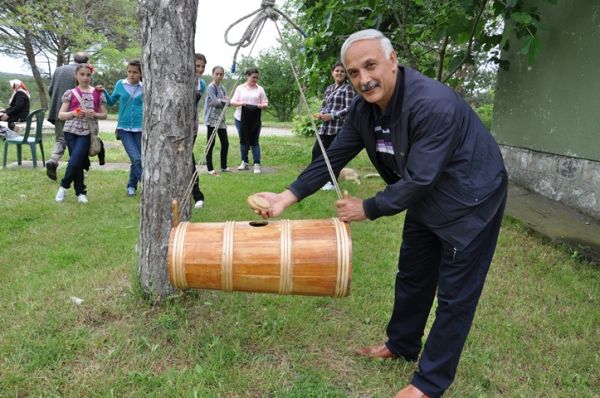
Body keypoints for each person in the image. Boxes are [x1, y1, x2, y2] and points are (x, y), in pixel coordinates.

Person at [252, 29, 507, 398]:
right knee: (413, 275)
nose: (363, 79)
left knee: (455, 296)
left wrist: (367, 208)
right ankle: (401, 344)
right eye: (353, 72)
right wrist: (284, 198)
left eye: (369, 65)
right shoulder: (364, 110)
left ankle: (428, 384)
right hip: (424, 198)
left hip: (469, 201)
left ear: (392, 60)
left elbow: (420, 178)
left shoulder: (432, 104)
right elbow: (331, 158)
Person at [54, 63, 107, 204]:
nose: (85, 78)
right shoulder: (70, 93)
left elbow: (104, 114)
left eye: (88, 75)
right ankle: (80, 193)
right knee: (76, 161)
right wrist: (73, 113)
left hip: (87, 132)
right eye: (82, 74)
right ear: (76, 75)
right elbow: (60, 115)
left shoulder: (97, 93)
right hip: (70, 131)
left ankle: (63, 187)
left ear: (91, 76)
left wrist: (94, 114)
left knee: (75, 160)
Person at [101, 60, 144, 197]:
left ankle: (131, 185)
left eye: (135, 72)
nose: (131, 75)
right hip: (124, 129)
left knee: (139, 159)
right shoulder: (121, 84)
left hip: (140, 128)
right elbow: (111, 101)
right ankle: (147, 184)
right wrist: (103, 92)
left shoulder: (145, 87)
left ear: (141, 73)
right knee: (136, 159)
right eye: (129, 71)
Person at [46, 52, 89, 181]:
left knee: (60, 139)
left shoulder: (59, 70)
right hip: (77, 113)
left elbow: (50, 90)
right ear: (85, 62)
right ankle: (76, 169)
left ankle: (53, 160)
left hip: (58, 111)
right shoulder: (83, 72)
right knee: (78, 140)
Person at [312, 62, 355, 190]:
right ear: (332, 73)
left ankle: (331, 182)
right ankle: (316, 179)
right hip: (325, 128)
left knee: (333, 157)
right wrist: (321, 114)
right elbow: (325, 106)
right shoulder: (329, 88)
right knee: (316, 153)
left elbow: (350, 108)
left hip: (338, 128)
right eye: (337, 71)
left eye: (342, 71)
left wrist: (333, 116)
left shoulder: (347, 89)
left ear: (346, 74)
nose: (339, 73)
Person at [230, 68, 268, 174]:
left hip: (255, 120)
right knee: (243, 140)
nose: (255, 79)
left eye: (257, 78)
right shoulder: (240, 88)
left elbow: (266, 104)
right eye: (253, 77)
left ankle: (256, 164)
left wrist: (261, 106)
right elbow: (233, 101)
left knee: (254, 141)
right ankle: (244, 162)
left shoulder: (260, 89)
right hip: (240, 119)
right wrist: (241, 103)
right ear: (247, 76)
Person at [203, 65, 231, 176]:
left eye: (221, 74)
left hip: (221, 119)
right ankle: (210, 168)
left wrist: (224, 101)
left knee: (225, 143)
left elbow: (226, 104)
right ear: (213, 74)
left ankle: (224, 167)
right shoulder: (211, 87)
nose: (219, 76)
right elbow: (215, 102)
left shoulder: (222, 88)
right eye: (217, 74)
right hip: (212, 119)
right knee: (211, 143)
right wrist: (223, 101)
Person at [190, 53, 207, 209]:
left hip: (191, 127)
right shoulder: (181, 81)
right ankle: (196, 195)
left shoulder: (201, 84)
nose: (200, 69)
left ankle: (197, 195)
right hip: (176, 128)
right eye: (197, 65)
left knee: (189, 160)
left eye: (202, 66)